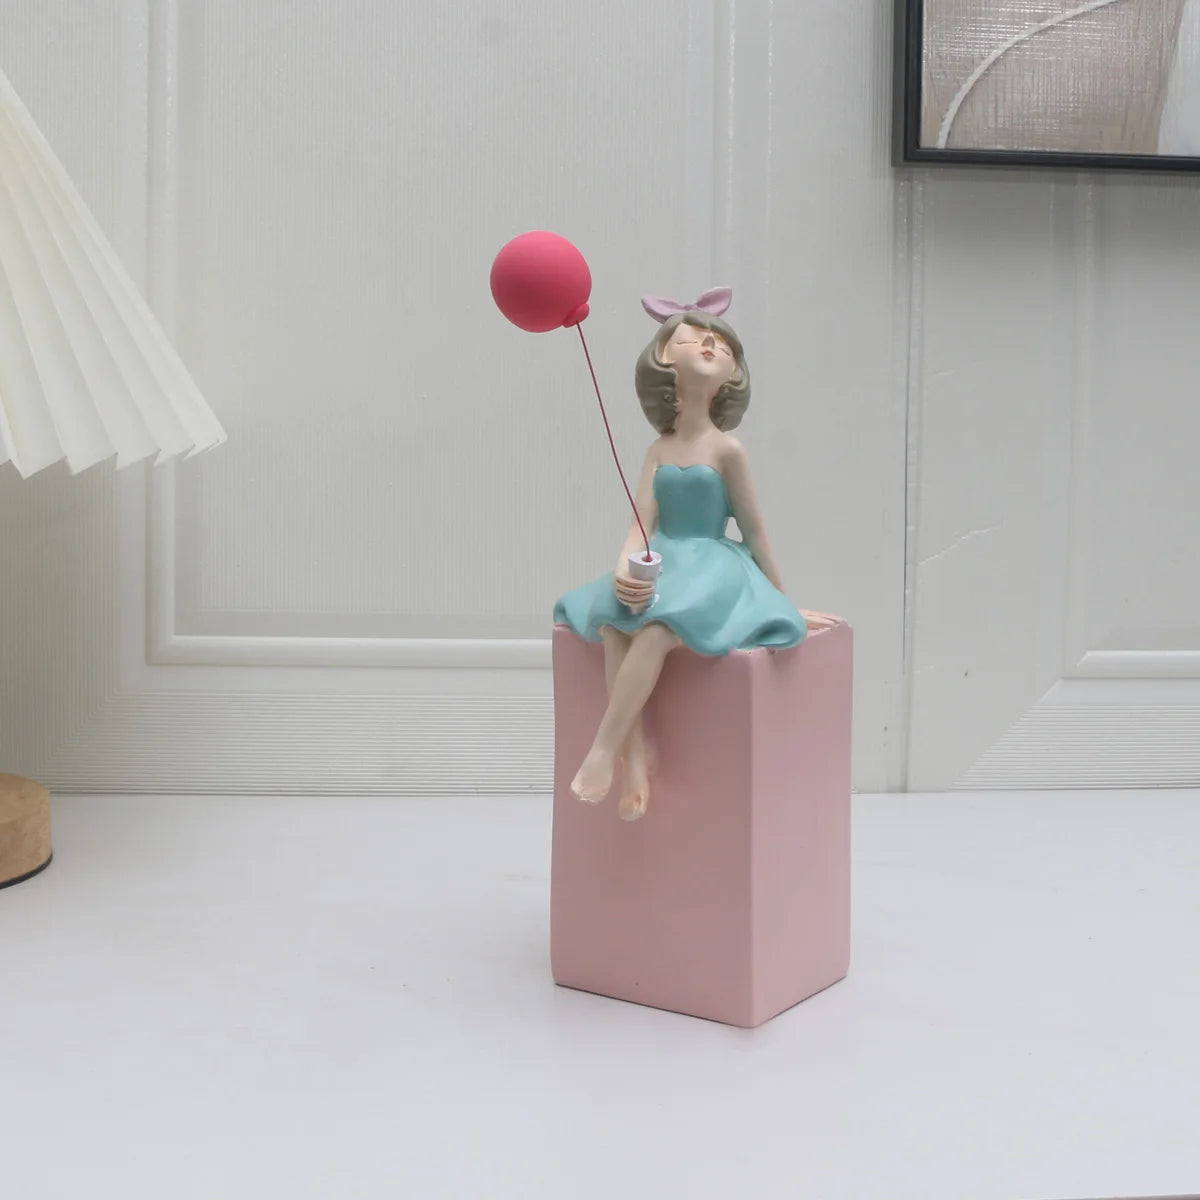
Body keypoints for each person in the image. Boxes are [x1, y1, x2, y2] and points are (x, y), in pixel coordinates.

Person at [553, 290, 806, 822]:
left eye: (722, 344)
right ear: (664, 358)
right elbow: (641, 521)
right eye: (694, 338)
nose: (710, 344)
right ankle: (635, 764)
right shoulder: (658, 450)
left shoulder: (727, 450)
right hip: (663, 556)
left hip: (712, 561)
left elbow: (754, 530)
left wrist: (782, 601)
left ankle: (602, 751)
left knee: (659, 627)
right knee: (613, 623)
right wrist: (624, 568)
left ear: (732, 374)